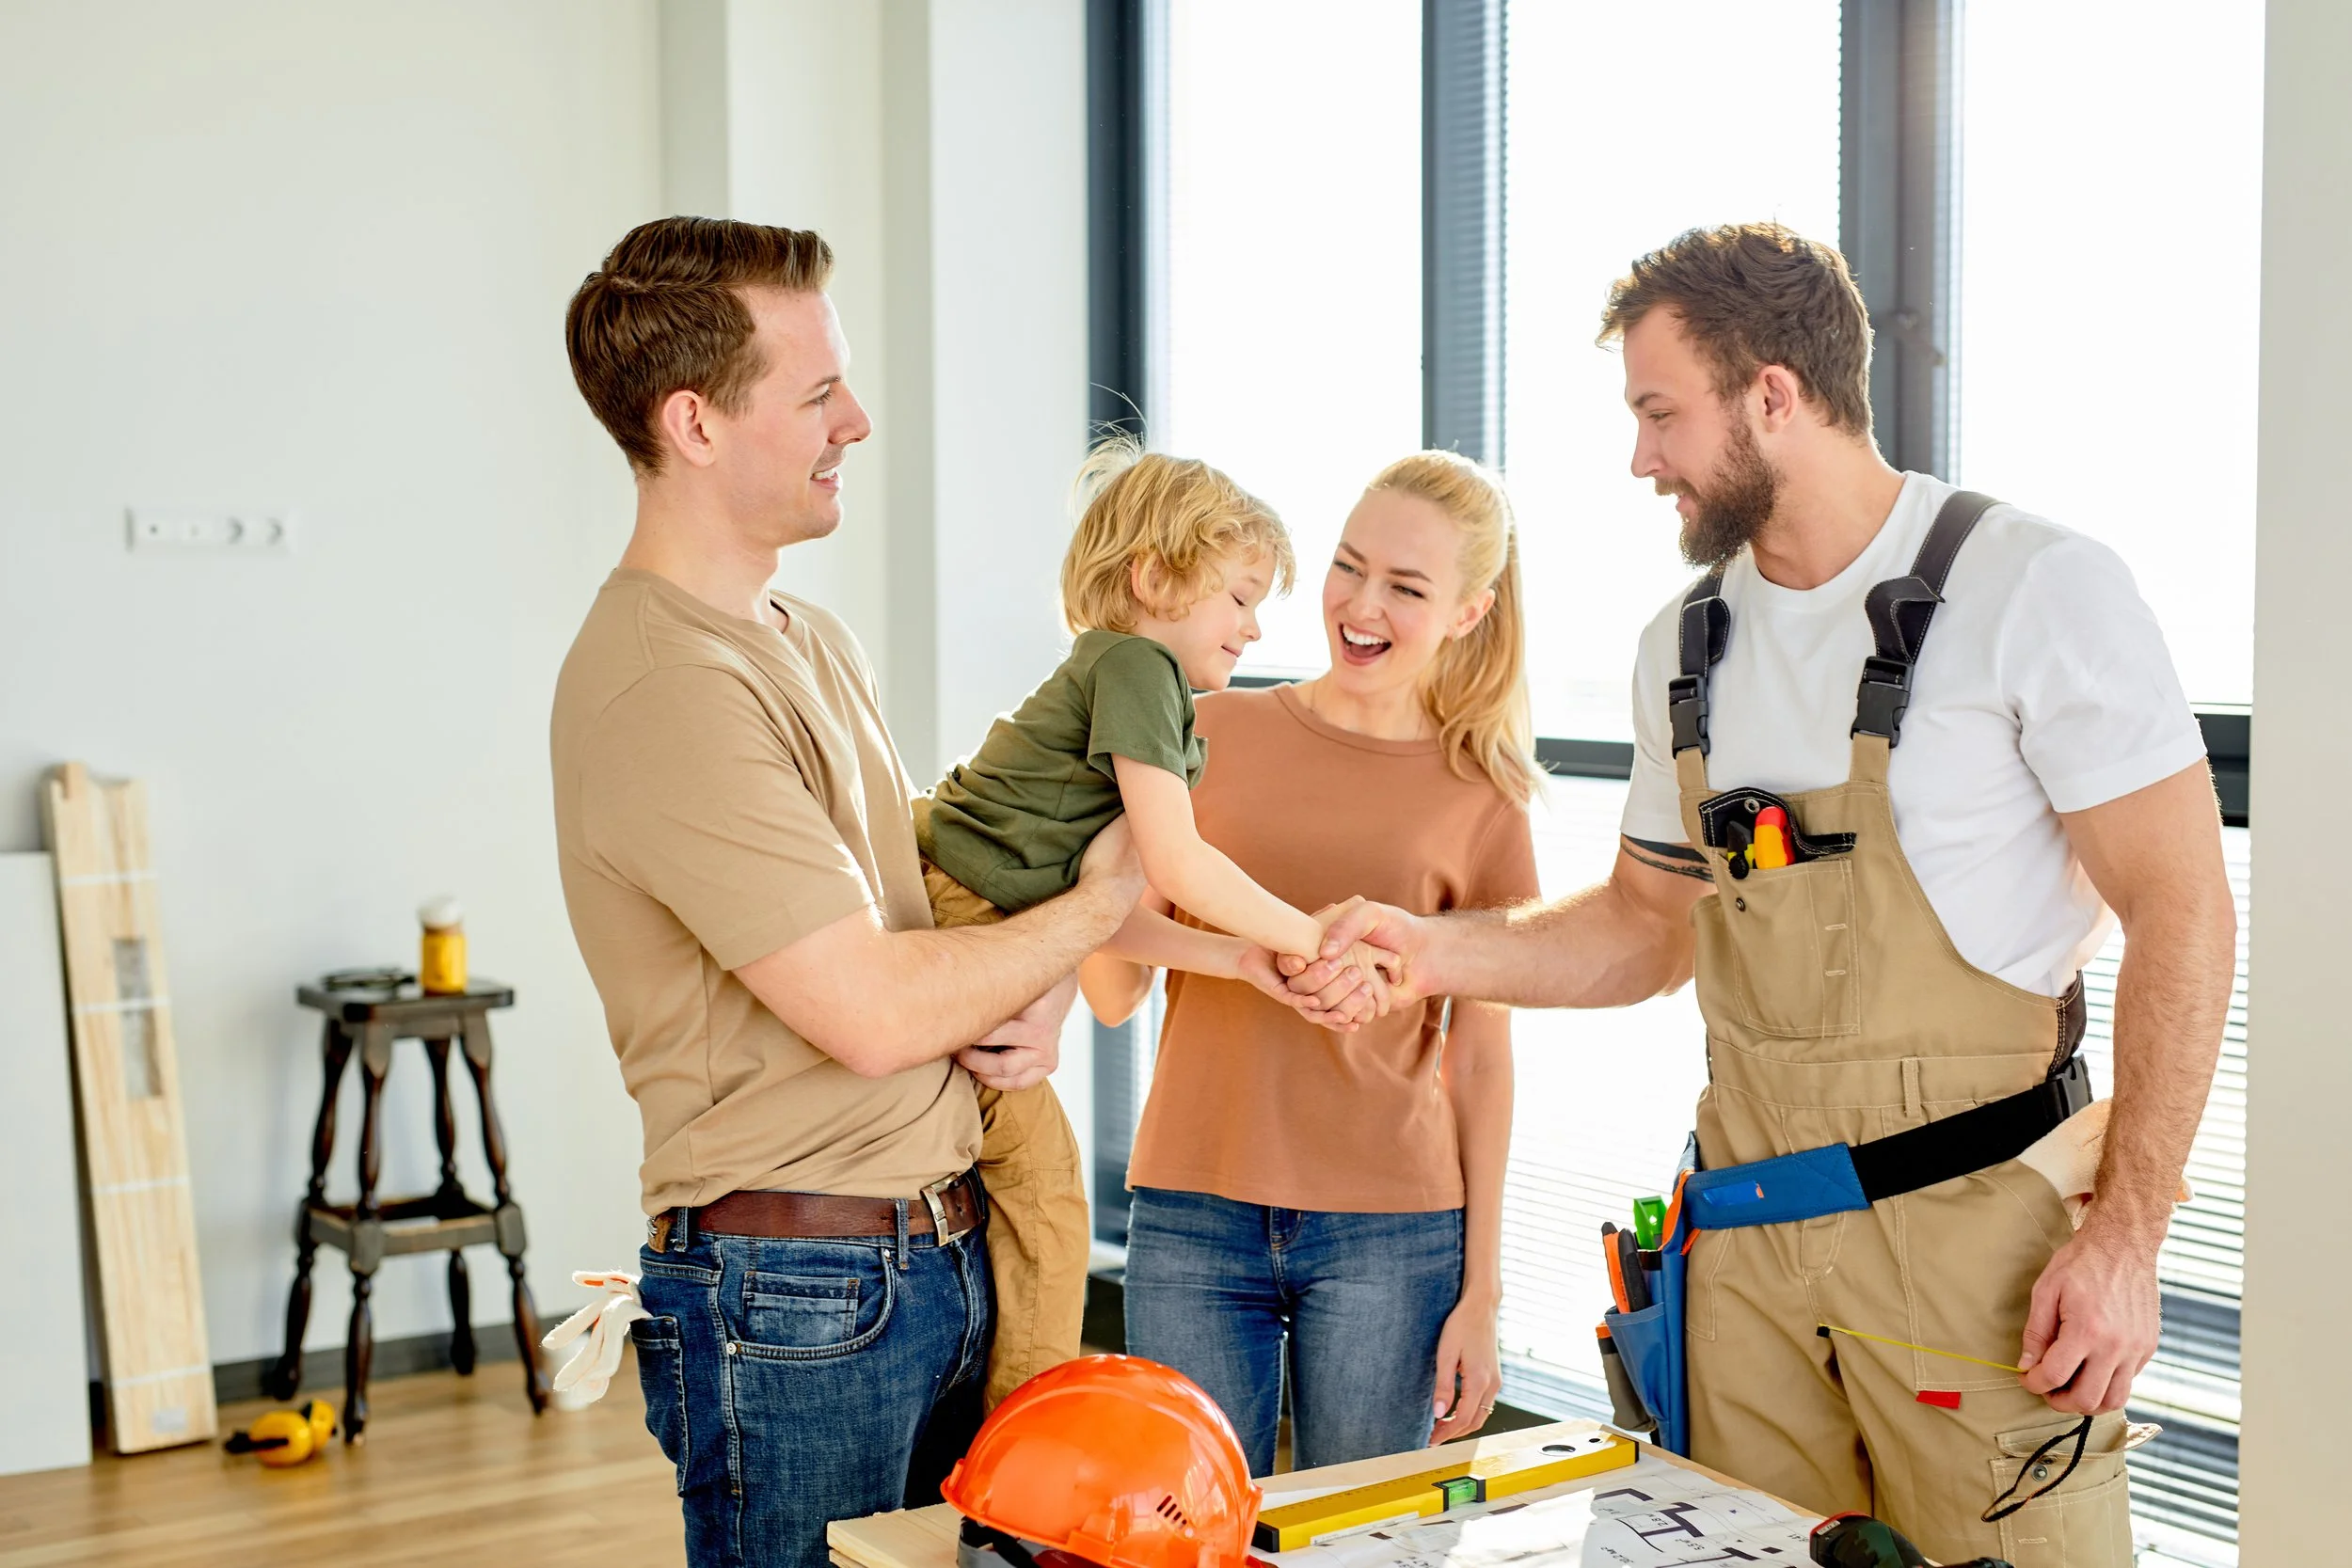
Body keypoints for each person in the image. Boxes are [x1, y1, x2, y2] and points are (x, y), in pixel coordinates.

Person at [1300, 225, 2235, 1565]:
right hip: (1744, 1258)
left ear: (1776, 396)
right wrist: (1427, 950)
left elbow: (2186, 910)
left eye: (1660, 413)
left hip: (1982, 1261)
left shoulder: (2033, 588)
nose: (1641, 458)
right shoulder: (1685, 647)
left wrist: (2129, 1236)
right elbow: (1638, 925)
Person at [548, 216, 1145, 1568]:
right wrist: (1097, 906)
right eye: (817, 393)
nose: (857, 420)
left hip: (932, 1255)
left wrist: (1040, 987)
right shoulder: (670, 685)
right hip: (796, 1297)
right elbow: (872, 1009)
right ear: (693, 421)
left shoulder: (805, 637)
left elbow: (918, 909)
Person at [1080, 450, 1540, 1475]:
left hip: (1396, 1230)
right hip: (1194, 1207)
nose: (1359, 603)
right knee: (1187, 1534)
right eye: (1347, 564)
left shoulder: (1485, 794)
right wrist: (1190, 929)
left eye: (1406, 587)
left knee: (1368, 1542)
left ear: (1466, 612)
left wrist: (1482, 1289)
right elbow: (1111, 977)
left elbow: (1481, 1060)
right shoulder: (1202, 728)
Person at [916, 437, 1390, 1410]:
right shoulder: (1138, 666)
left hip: (992, 913)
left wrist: (1241, 958)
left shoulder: (1134, 685)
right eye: (1240, 595)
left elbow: (1106, 914)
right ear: (1152, 576)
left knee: (1038, 1202)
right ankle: (1020, 1460)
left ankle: (1008, 1434)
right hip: (962, 907)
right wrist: (1314, 938)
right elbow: (1177, 866)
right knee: (1049, 1206)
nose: (1255, 628)